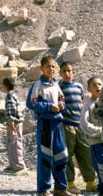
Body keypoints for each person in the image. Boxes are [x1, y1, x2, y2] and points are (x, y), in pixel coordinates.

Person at [26, 54, 69, 196]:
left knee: (61, 155)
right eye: (48, 66)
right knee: (45, 157)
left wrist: (61, 105)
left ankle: (61, 188)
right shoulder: (38, 85)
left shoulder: (56, 83)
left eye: (53, 66)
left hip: (57, 123)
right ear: (41, 68)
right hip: (45, 124)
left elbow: (62, 98)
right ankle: (43, 189)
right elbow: (31, 103)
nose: (51, 69)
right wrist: (49, 107)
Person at [59, 62, 97, 194]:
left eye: (69, 71)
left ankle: (91, 182)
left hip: (80, 124)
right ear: (60, 73)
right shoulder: (59, 87)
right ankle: (69, 183)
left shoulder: (79, 86)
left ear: (73, 72)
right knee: (68, 154)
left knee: (85, 152)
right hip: (67, 124)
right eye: (64, 71)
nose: (67, 73)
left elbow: (82, 102)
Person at [80, 76, 103, 196]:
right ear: (89, 88)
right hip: (96, 140)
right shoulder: (88, 104)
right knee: (100, 163)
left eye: (99, 84)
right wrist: (100, 131)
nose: (98, 87)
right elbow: (84, 123)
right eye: (94, 85)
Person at [2, 77, 26, 173]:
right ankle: (13, 164)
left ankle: (19, 165)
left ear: (6, 86)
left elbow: (11, 109)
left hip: (14, 122)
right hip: (14, 122)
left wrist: (11, 121)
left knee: (15, 143)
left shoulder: (10, 96)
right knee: (11, 143)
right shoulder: (12, 95)